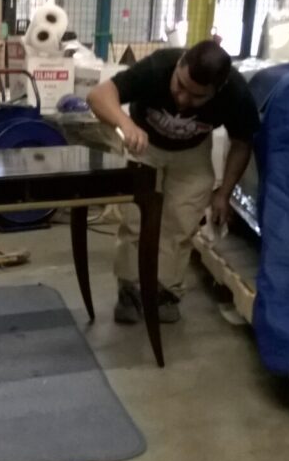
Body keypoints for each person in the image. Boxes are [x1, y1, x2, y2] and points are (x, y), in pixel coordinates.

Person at [87, 40, 259, 324]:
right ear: (179, 66)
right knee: (136, 218)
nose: (182, 99)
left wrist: (223, 193)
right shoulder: (158, 66)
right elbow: (98, 95)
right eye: (179, 86)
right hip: (145, 145)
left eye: (196, 97)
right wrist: (126, 124)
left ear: (218, 90)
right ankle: (129, 289)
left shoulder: (236, 93)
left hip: (192, 153)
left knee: (180, 221)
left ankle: (165, 291)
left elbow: (242, 142)